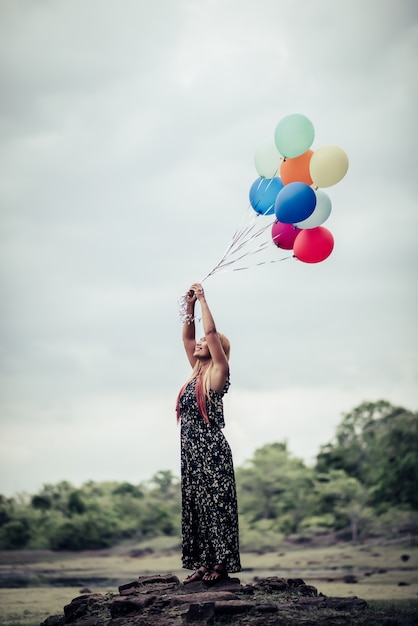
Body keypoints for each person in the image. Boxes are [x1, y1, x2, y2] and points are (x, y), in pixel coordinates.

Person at [176, 282, 242, 585]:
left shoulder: (217, 374)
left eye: (206, 342)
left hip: (211, 451)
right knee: (198, 507)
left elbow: (211, 335)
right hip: (191, 452)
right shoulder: (195, 373)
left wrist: (203, 300)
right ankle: (203, 563)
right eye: (199, 341)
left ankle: (221, 563)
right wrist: (188, 306)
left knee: (217, 506)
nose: (200, 342)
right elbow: (188, 336)